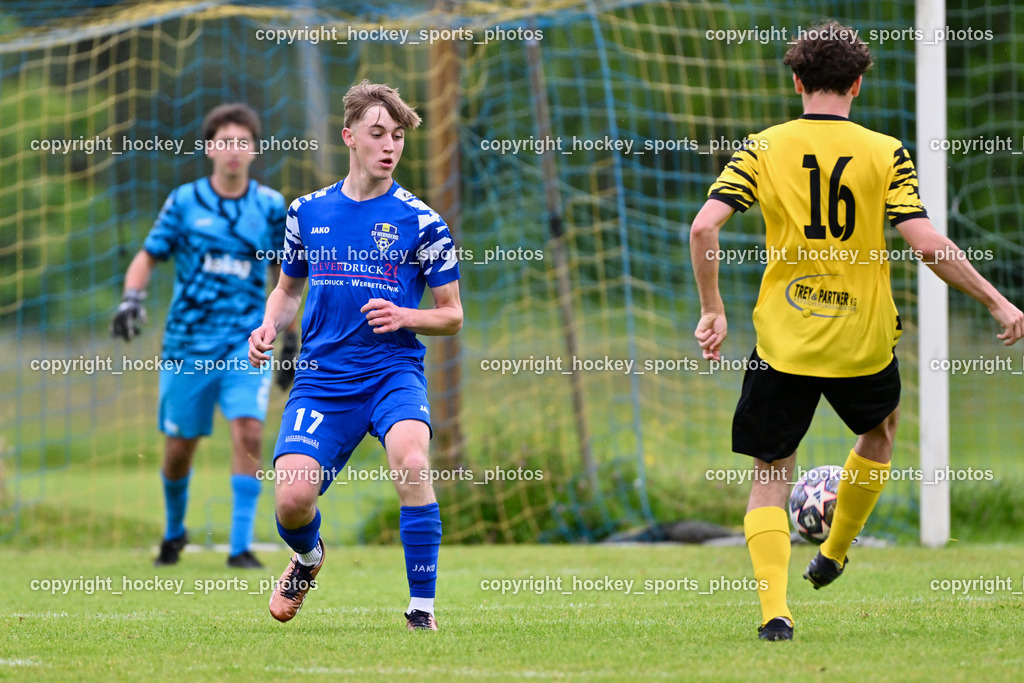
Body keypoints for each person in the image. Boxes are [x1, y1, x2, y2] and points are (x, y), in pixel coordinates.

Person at [689, 21, 1024, 641]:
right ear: (859, 85)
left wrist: (713, 308)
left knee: (771, 470)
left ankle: (774, 614)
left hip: (783, 338)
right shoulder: (885, 151)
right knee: (881, 430)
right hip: (861, 338)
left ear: (796, 81)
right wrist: (997, 301)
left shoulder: (761, 148)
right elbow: (927, 243)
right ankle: (836, 552)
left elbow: (704, 229)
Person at [249, 80, 462, 631]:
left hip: (392, 372)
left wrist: (407, 317)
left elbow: (452, 314)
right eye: (377, 134)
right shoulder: (307, 212)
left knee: (413, 461)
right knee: (292, 499)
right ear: (350, 138)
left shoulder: (423, 222)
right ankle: (308, 557)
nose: (389, 145)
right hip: (323, 378)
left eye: (397, 136)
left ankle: (422, 609)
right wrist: (269, 325)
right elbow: (289, 289)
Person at [111, 103, 297, 569]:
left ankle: (239, 546)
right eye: (224, 142)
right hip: (187, 344)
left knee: (250, 430)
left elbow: (287, 275)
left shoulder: (271, 207)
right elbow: (148, 256)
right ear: (210, 148)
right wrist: (131, 298)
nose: (233, 151)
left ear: (254, 151)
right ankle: (175, 532)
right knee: (179, 449)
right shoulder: (184, 201)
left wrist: (288, 336)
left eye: (243, 143)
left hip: (245, 340)